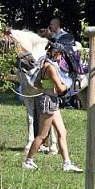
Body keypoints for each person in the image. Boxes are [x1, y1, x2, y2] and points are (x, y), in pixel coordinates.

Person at [23, 40, 83, 172]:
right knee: (42, 135)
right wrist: (70, 81)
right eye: (61, 55)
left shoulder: (44, 64)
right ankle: (28, 161)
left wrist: (47, 87)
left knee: (62, 132)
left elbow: (37, 83)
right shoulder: (50, 68)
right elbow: (61, 88)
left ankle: (67, 164)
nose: (62, 58)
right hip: (48, 101)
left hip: (50, 99)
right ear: (57, 53)